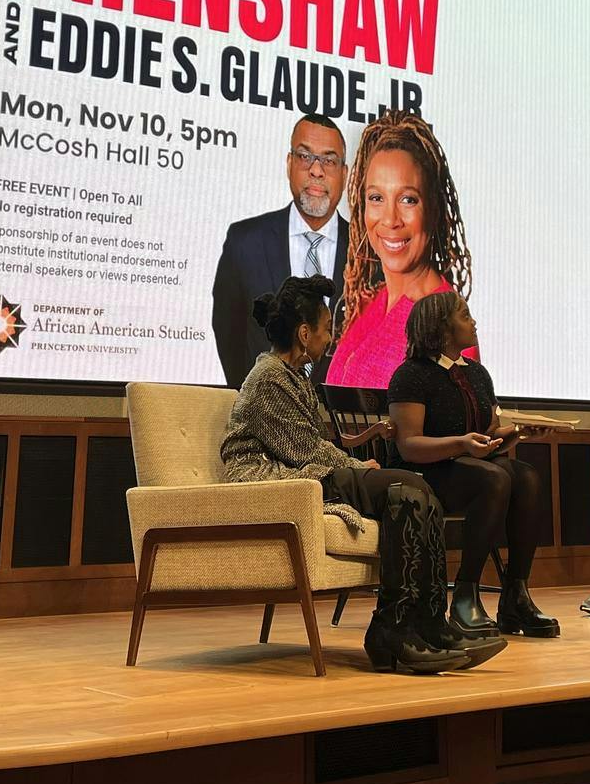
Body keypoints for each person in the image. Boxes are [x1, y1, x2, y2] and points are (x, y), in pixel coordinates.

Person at [222, 276, 504, 674]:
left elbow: (315, 444)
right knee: (406, 488)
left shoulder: (293, 377)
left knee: (416, 488)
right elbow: (304, 449)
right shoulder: (268, 377)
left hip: (306, 472)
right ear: (304, 333)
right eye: (324, 330)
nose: (329, 338)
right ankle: (392, 630)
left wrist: (357, 459)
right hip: (276, 480)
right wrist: (359, 466)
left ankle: (427, 622)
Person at [387, 291, 559, 639]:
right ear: (443, 327)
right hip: (425, 472)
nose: (474, 322)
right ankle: (466, 594)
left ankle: (516, 594)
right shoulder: (411, 374)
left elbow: (489, 435)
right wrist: (462, 444)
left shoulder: (478, 374)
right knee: (494, 478)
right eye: (465, 316)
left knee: (525, 477)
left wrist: (519, 433)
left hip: (471, 468)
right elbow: (409, 445)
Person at [322, 111, 475, 389]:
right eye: (377, 198)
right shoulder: (367, 304)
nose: (390, 220)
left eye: (408, 199)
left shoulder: (447, 324)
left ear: (433, 209)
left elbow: (461, 426)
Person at [211, 114, 351, 386]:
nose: (317, 171)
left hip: (344, 422)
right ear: (289, 164)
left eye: (329, 160)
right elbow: (228, 333)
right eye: (305, 156)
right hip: (263, 416)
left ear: (344, 174)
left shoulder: (370, 252)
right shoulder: (244, 242)